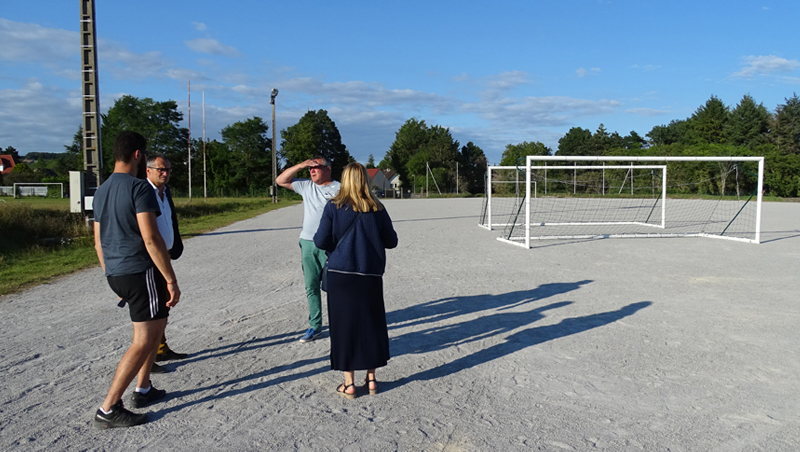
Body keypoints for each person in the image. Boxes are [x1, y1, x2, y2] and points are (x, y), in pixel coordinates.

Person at [92, 131, 181, 428]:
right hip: (140, 269)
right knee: (144, 340)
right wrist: (170, 279)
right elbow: (151, 238)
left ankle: (144, 389)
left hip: (116, 271)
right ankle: (109, 408)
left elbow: (97, 241)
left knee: (155, 325)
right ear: (138, 155)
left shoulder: (102, 190)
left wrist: (109, 273)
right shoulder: (138, 188)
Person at [313, 162, 398, 399]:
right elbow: (391, 241)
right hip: (369, 275)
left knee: (344, 328)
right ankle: (371, 379)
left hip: (341, 274)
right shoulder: (377, 208)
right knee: (372, 325)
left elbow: (320, 241)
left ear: (345, 180)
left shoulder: (334, 207)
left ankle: (349, 384)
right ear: (366, 180)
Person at [276, 156, 341, 342]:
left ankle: (339, 324)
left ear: (328, 169)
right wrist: (301, 164)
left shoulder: (340, 189)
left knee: (336, 287)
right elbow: (280, 181)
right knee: (311, 286)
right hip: (308, 242)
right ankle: (315, 326)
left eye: (316, 167)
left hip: (331, 245)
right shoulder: (306, 186)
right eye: (309, 168)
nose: (312, 171)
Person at [145, 155, 188, 367]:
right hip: (150, 258)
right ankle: (146, 356)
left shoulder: (165, 192)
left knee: (164, 305)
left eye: (168, 170)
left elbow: (171, 220)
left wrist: (176, 244)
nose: (165, 173)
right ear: (148, 170)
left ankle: (160, 348)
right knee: (151, 310)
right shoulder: (143, 192)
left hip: (166, 254)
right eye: (161, 169)